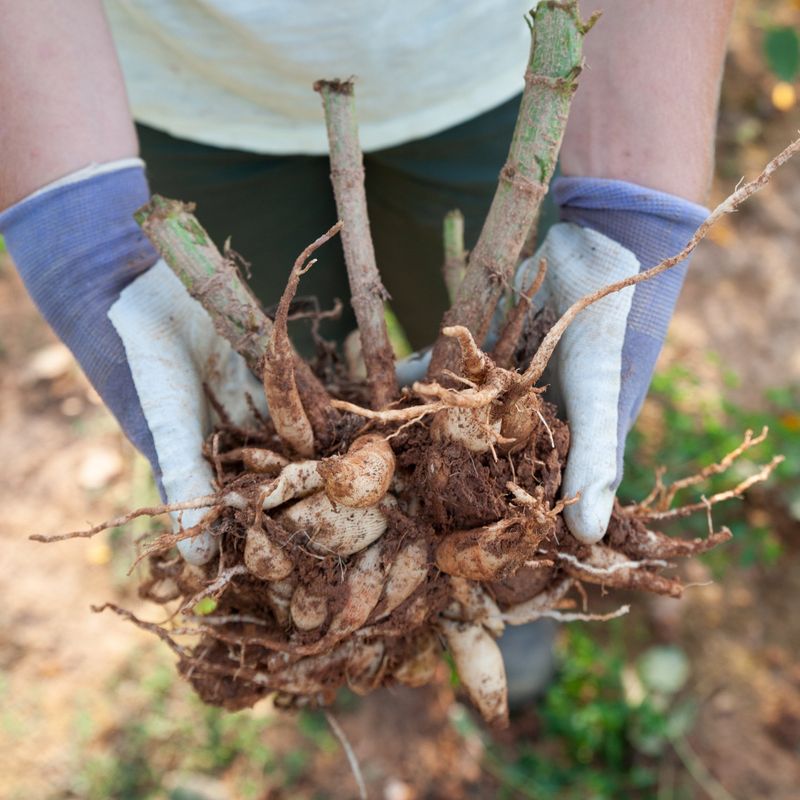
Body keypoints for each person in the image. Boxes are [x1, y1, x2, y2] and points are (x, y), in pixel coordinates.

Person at [0, 1, 733, 701]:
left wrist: (630, 201)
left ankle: (516, 598)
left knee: (526, 407)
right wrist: (81, 228)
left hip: (490, 77)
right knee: (229, 400)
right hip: (168, 94)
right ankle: (345, 636)